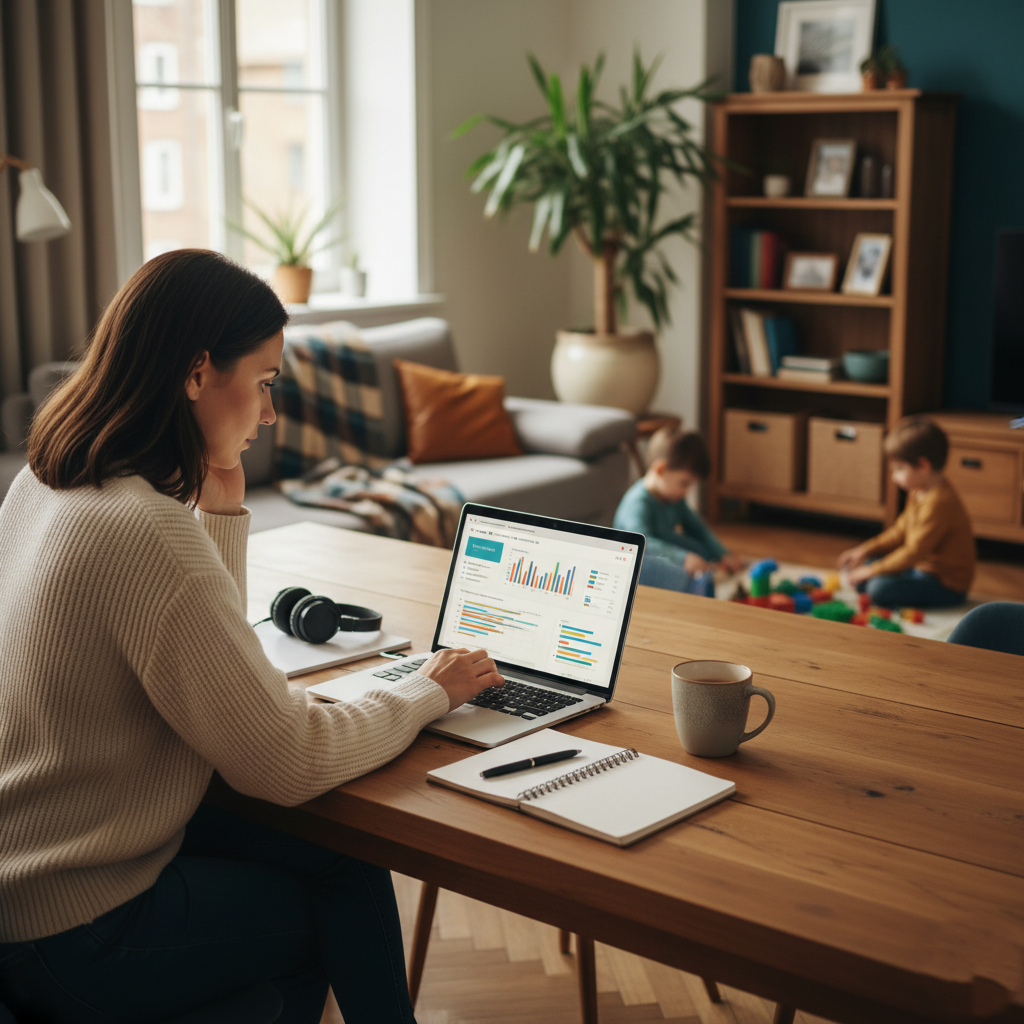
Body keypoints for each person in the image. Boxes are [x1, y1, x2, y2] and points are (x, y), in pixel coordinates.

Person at [0, 250, 502, 1024]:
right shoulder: (144, 530)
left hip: (28, 876)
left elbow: (202, 661)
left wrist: (223, 513)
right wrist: (425, 689)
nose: (269, 414)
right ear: (199, 372)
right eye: (265, 382)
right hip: (76, 924)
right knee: (321, 917)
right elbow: (286, 758)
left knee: (344, 855)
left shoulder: (45, 482)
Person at [838, 416, 975, 608]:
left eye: (899, 469)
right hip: (917, 568)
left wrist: (872, 572)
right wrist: (866, 550)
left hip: (944, 584)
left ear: (923, 465)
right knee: (867, 570)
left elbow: (913, 552)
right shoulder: (919, 490)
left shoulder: (940, 502)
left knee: (877, 588)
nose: (894, 477)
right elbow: (900, 531)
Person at [614, 428, 743, 594]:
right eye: (684, 483)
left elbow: (697, 528)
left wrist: (722, 554)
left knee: (700, 551)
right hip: (634, 560)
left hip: (662, 549)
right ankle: (692, 595)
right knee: (684, 571)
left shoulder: (674, 499)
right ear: (661, 469)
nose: (686, 492)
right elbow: (644, 543)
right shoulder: (638, 503)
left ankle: (704, 590)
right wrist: (684, 558)